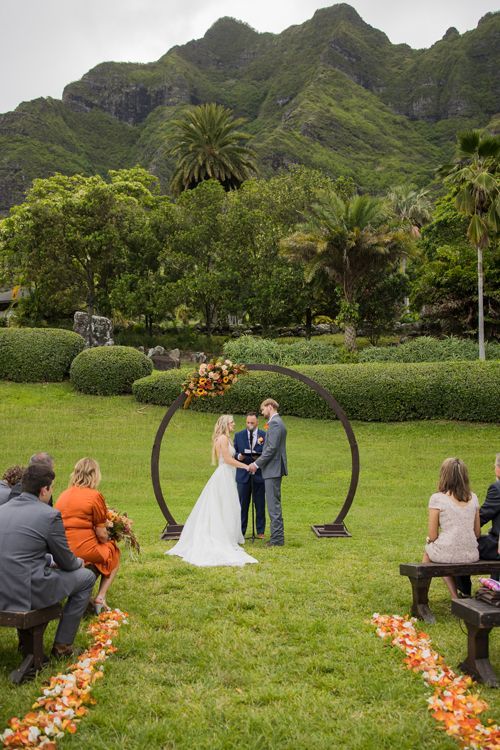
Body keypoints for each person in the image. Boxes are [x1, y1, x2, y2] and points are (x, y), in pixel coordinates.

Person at [0, 463, 95, 658]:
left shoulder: (3, 509)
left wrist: (49, 560)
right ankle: (62, 646)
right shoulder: (49, 515)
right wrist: (78, 562)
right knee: (86, 578)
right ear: (44, 490)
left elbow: (17, 551)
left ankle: (26, 644)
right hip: (25, 593)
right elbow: (68, 562)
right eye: (52, 488)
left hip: (4, 588)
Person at [166, 415, 258, 567]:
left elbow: (231, 457)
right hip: (223, 475)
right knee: (224, 506)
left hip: (229, 475)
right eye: (232, 422)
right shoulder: (222, 439)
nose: (234, 424)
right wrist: (246, 466)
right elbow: (227, 460)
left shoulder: (227, 439)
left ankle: (228, 535)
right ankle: (219, 537)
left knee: (229, 506)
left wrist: (241, 458)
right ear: (226, 424)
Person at [56, 458, 120, 614]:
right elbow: (101, 534)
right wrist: (110, 538)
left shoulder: (63, 495)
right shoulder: (95, 496)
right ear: (95, 475)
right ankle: (101, 596)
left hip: (62, 551)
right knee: (114, 551)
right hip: (84, 551)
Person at [423, 457, 480, 599]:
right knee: (442, 552)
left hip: (448, 552)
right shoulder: (473, 498)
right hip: (471, 554)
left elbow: (433, 535)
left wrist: (430, 540)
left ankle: (424, 598)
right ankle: (457, 597)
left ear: (444, 476)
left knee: (429, 553)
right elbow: (477, 533)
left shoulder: (437, 498)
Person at [456, 453, 500, 596]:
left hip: (497, 546)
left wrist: (459, 531)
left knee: (460, 546)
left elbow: (483, 516)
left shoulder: (497, 488)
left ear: (498, 469)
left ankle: (464, 591)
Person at [249, 398, 288, 547]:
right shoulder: (276, 423)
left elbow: (272, 449)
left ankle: (277, 540)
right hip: (273, 468)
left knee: (273, 506)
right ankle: (276, 537)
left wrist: (256, 464)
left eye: (263, 409)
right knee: (273, 504)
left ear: (269, 406)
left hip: (273, 469)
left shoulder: (275, 423)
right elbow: (271, 445)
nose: (262, 412)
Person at [234, 412, 267, 538]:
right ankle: (241, 531)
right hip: (243, 474)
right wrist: (239, 456)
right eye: (248, 422)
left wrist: (257, 458)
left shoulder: (264, 435)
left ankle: (260, 531)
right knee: (243, 504)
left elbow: (267, 453)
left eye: (252, 423)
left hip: (259, 474)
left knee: (259, 503)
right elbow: (234, 453)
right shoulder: (239, 435)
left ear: (257, 422)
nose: (250, 425)